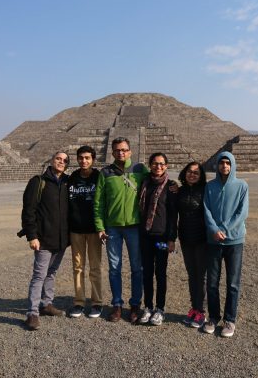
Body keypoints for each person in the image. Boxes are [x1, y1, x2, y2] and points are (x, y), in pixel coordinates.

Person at [94, 137, 148, 323]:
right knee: (114, 268)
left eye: (124, 150)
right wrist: (100, 226)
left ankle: (135, 304)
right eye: (117, 150)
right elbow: (99, 202)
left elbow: (158, 182)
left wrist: (173, 185)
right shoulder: (105, 172)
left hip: (134, 226)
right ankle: (117, 304)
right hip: (112, 227)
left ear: (130, 151)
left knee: (136, 268)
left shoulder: (140, 170)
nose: (121, 153)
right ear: (112, 152)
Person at [21, 151, 70, 330]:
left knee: (51, 273)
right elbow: (28, 210)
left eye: (65, 161)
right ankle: (32, 313)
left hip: (61, 239)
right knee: (39, 275)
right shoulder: (38, 182)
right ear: (51, 160)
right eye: (58, 158)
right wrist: (32, 236)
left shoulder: (67, 182)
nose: (61, 162)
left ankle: (46, 304)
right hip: (43, 238)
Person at [202, 152, 249, 338]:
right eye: (221, 163)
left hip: (234, 241)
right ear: (217, 166)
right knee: (212, 282)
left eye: (228, 163)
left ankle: (230, 319)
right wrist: (214, 229)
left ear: (232, 165)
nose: (224, 166)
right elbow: (205, 209)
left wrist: (224, 229)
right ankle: (213, 317)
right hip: (213, 240)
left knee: (233, 283)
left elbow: (242, 212)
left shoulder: (242, 186)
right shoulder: (209, 186)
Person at [137, 153, 177, 326]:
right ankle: (148, 306)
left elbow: (173, 215)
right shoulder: (144, 182)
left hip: (161, 237)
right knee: (146, 273)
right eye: (154, 163)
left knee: (160, 273)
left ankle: (160, 308)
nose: (158, 167)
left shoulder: (171, 187)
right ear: (150, 165)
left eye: (161, 164)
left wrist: (172, 239)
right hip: (145, 236)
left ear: (166, 166)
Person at [68, 145, 103, 319]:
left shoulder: (99, 177)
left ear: (93, 159)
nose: (84, 161)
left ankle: (97, 302)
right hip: (76, 230)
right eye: (81, 158)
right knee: (78, 267)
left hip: (94, 230)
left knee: (95, 267)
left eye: (87, 158)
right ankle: (79, 302)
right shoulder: (72, 178)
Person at [175, 162, 208, 328]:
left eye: (196, 173)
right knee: (191, 274)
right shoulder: (179, 191)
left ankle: (201, 311)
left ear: (201, 176)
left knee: (201, 276)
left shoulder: (206, 191)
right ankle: (193, 308)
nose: (192, 175)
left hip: (202, 239)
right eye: (190, 171)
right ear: (184, 172)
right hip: (186, 238)